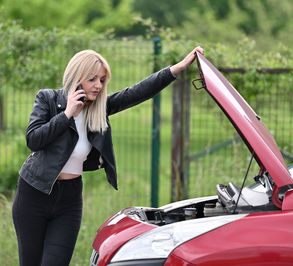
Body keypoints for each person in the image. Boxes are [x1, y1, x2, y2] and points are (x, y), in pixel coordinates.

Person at [12, 46, 204, 266]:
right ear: (77, 76)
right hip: (34, 193)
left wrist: (178, 68)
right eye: (92, 79)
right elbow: (33, 140)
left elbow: (139, 91)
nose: (98, 85)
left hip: (69, 199)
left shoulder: (99, 108)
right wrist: (67, 114)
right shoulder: (47, 98)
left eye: (102, 80)